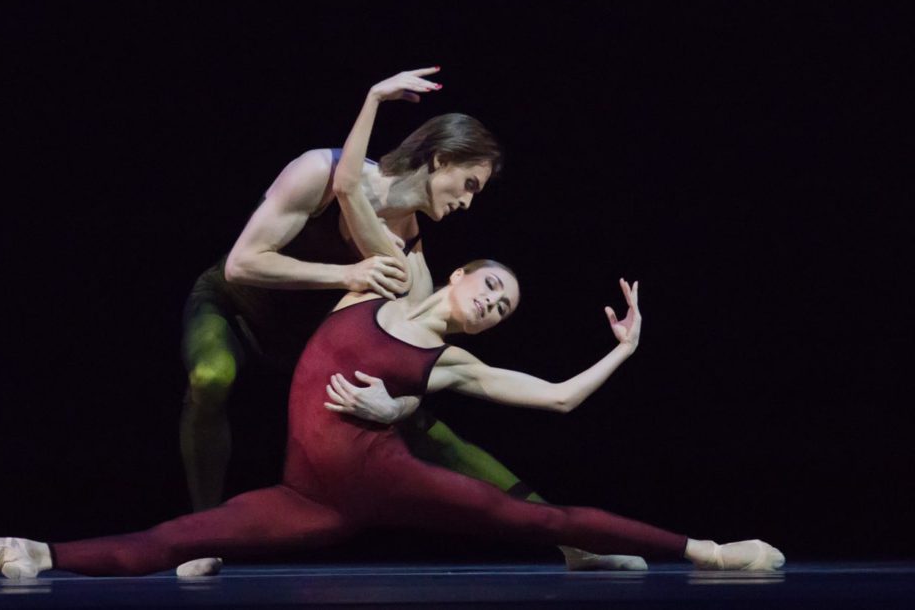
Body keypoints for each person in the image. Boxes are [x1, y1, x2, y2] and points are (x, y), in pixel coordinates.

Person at [0, 75, 784, 578]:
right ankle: (24, 551)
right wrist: (375, 98)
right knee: (175, 537)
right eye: (491, 285)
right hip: (307, 486)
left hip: (382, 474)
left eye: (503, 308)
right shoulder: (382, 273)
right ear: (460, 275)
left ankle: (712, 552)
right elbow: (349, 181)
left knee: (546, 521)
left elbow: (559, 399)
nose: (493, 301)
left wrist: (623, 349)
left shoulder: (439, 339)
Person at [181, 68, 635, 570]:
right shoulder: (321, 173)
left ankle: (572, 542)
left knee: (428, 427)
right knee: (211, 375)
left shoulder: (411, 256)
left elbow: (413, 362)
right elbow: (242, 263)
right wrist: (347, 273)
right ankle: (201, 539)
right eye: (468, 184)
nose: (467, 202)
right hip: (237, 308)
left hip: (310, 346)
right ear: (440, 159)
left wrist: (394, 406)